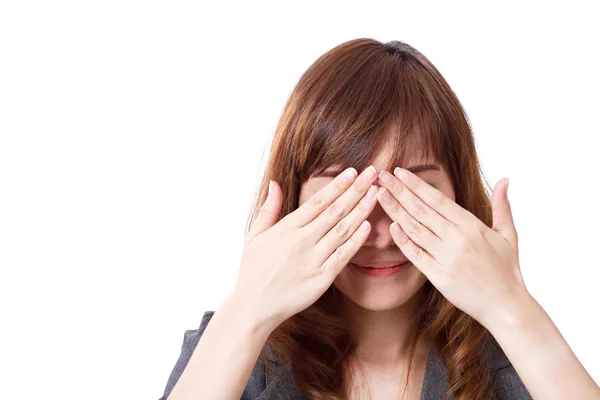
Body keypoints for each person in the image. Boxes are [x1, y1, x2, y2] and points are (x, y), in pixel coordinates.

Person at [158, 39, 600, 400]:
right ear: (294, 199)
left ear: (459, 198)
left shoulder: (514, 358)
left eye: (411, 191)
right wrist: (248, 310)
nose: (381, 232)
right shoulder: (236, 348)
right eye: (345, 192)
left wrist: (512, 308)